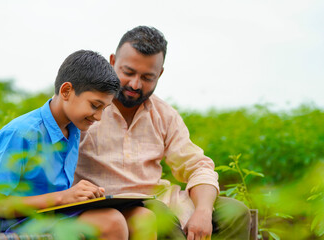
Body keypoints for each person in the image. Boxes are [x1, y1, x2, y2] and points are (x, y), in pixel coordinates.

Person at [74, 26, 251, 239]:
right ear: (112, 62)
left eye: (147, 77)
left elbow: (197, 166)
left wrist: (203, 211)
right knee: (158, 219)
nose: (135, 84)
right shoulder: (87, 107)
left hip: (159, 199)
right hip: (108, 206)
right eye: (128, 72)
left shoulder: (164, 115)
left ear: (160, 74)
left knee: (236, 213)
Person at [0, 50, 129, 240]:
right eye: (94, 105)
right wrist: (64, 197)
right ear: (66, 91)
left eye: (104, 109)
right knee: (111, 223)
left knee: (135, 216)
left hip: (54, 215)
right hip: (17, 223)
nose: (99, 117)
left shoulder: (74, 130)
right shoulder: (21, 133)